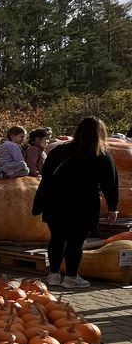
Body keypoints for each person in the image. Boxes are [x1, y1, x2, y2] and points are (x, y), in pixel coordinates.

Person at [32, 117, 119, 289]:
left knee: (56, 238)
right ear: (101, 133)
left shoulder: (59, 151)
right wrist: (112, 207)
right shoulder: (100, 155)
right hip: (83, 203)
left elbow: (46, 177)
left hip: (55, 202)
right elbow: (111, 183)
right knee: (75, 241)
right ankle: (71, 277)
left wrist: (40, 202)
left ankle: (54, 275)